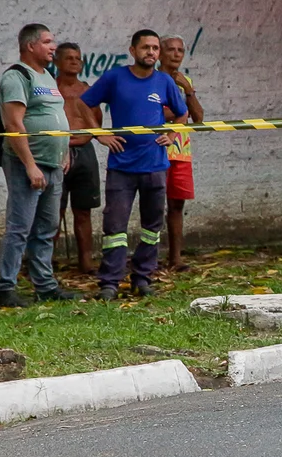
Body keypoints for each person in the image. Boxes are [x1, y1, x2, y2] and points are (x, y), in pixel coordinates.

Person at [81, 29, 188, 300]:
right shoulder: (115, 78)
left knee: (152, 228)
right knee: (114, 228)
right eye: (146, 48)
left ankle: (142, 278)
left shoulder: (164, 82)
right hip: (122, 167)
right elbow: (84, 104)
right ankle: (110, 283)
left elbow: (182, 113)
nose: (151, 52)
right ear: (133, 50)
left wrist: (172, 134)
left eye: (155, 48)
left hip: (155, 166)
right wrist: (99, 133)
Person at [0, 23, 74, 308]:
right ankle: (5, 288)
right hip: (26, 164)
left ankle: (45, 286)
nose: (54, 47)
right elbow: (14, 124)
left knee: (46, 228)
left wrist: (63, 152)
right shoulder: (17, 77)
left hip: (53, 165)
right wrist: (30, 165)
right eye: (48, 42)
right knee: (20, 227)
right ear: (30, 46)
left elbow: (53, 116)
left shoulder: (48, 78)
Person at [54, 42, 103, 274]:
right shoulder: (50, 88)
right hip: (57, 152)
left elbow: (97, 123)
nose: (74, 62)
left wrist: (83, 139)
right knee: (54, 210)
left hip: (84, 153)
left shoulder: (88, 90)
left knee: (84, 210)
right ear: (57, 62)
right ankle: (46, 263)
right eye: (69, 58)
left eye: (78, 58)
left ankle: (86, 261)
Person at [159, 34, 204, 272]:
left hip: (181, 152)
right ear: (160, 53)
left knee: (177, 206)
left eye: (180, 50)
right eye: (171, 49)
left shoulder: (185, 80)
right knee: (153, 206)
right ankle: (148, 259)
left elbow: (198, 117)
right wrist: (179, 114)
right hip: (156, 151)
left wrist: (188, 91)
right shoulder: (151, 79)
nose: (176, 54)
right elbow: (153, 114)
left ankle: (175, 259)